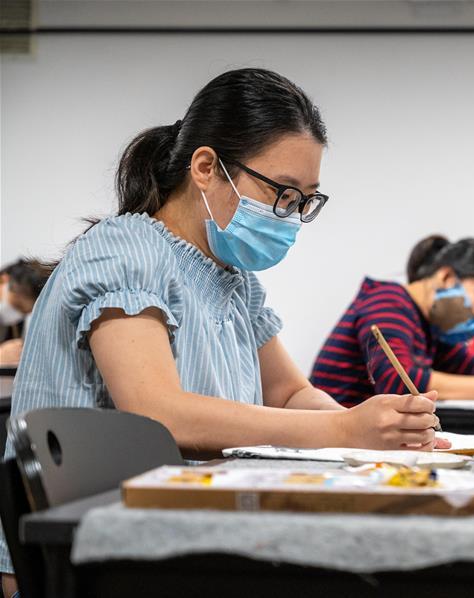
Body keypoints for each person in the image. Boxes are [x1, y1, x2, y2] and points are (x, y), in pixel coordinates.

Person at [1, 68, 444, 595]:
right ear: (206, 167)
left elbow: (289, 393)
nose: (291, 215)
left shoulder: (236, 280)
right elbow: (159, 412)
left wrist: (374, 430)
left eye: (306, 201)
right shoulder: (126, 250)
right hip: (89, 549)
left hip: (175, 530)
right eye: (283, 192)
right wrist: (344, 434)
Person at [310, 235, 474, 406]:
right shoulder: (388, 300)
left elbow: (468, 366)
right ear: (447, 276)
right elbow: (398, 382)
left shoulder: (427, 325)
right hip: (332, 439)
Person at [0, 260, 51, 365]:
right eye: (17, 306)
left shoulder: (17, 325)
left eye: (24, 312)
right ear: (4, 281)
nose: (16, 315)